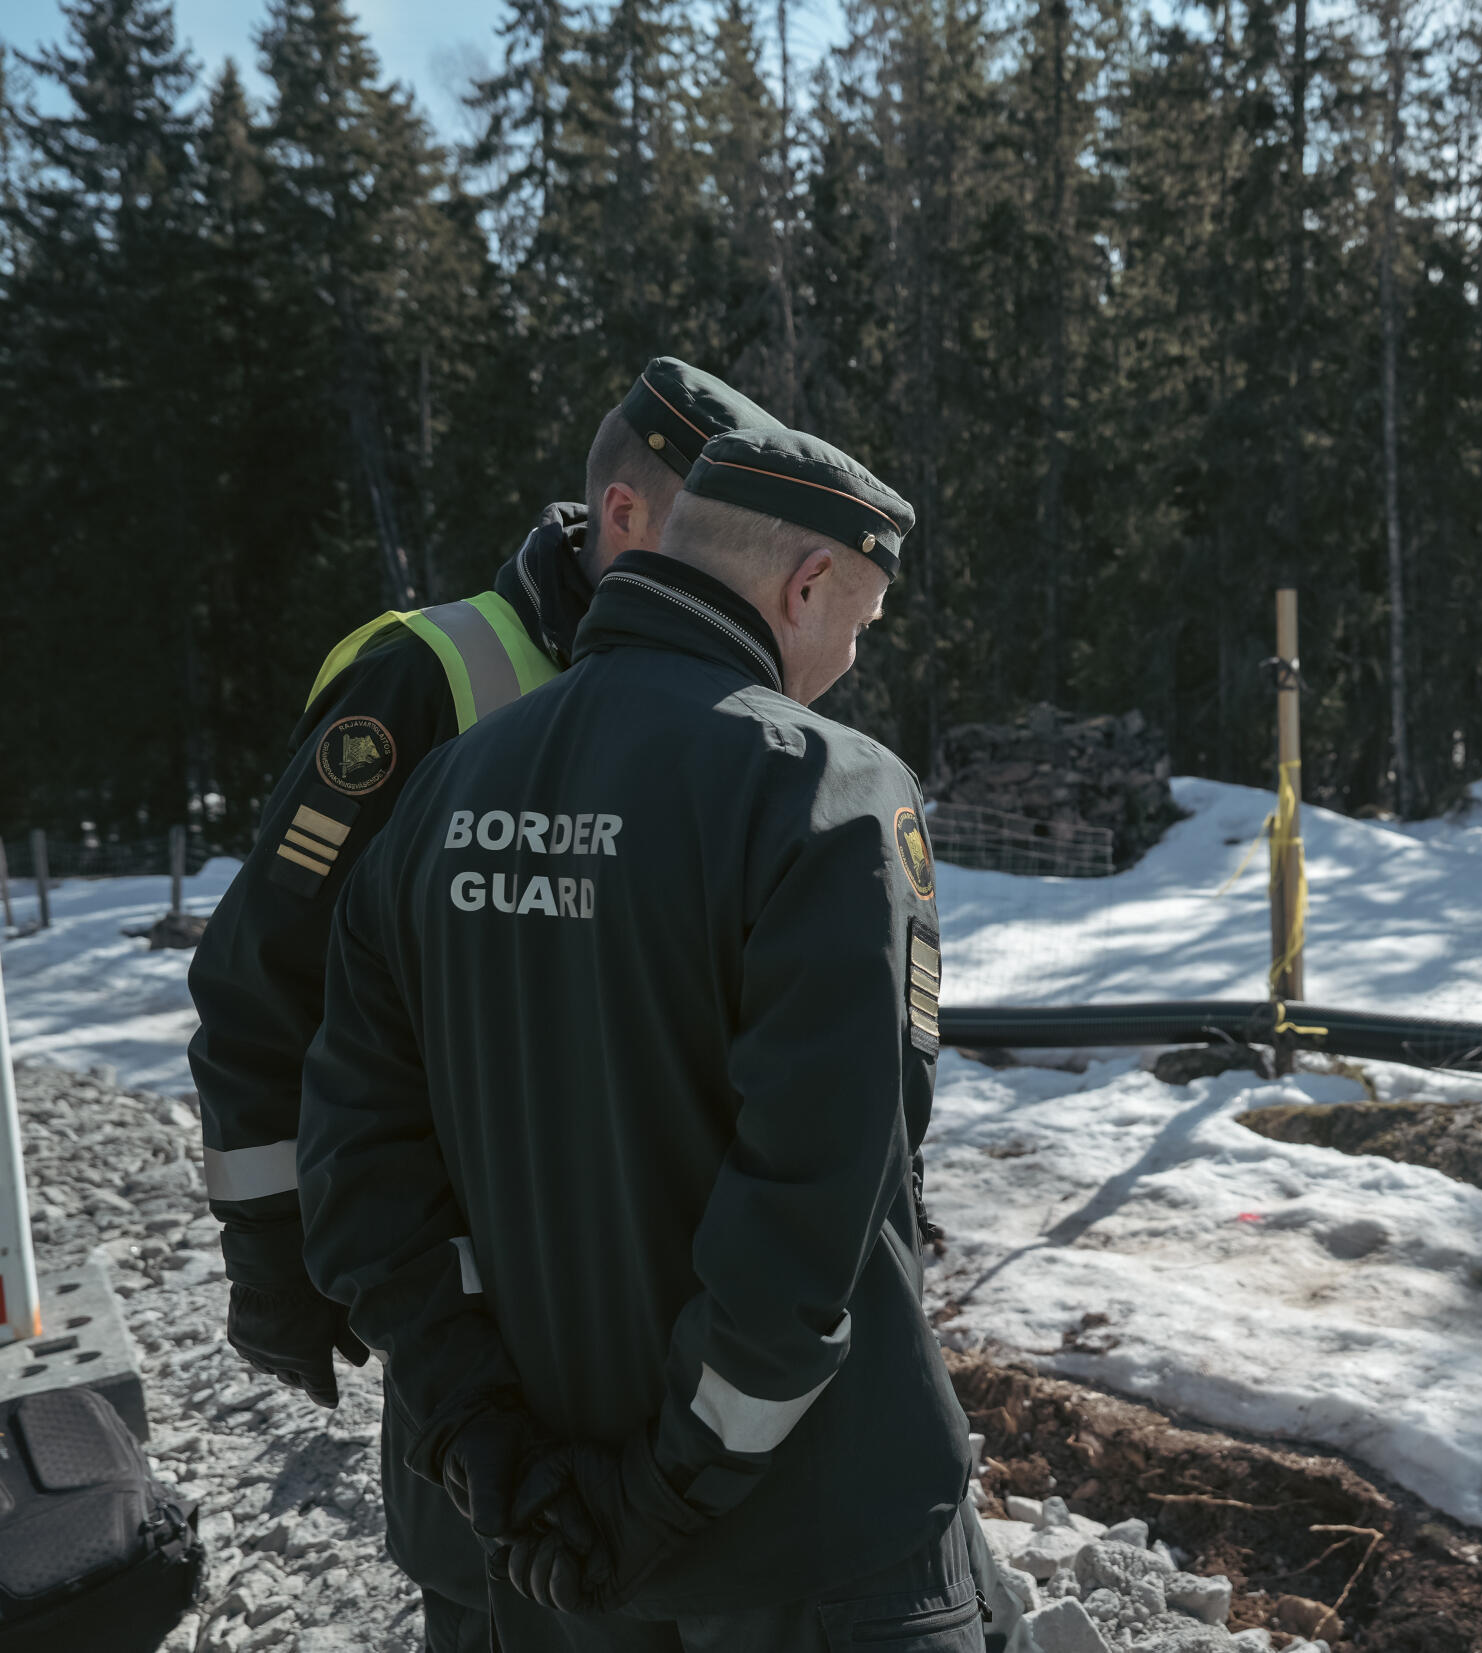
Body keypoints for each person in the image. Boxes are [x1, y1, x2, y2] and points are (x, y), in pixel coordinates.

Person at [296, 428, 989, 1652]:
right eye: (863, 622)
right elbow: (815, 1201)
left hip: (532, 1543)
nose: (845, 658)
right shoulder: (823, 791)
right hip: (804, 1542)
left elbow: (359, 1173)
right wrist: (666, 1489)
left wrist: (491, 1453)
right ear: (806, 583)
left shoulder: (442, 793)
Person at [186, 359, 785, 1650]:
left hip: (671, 1294)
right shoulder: (433, 679)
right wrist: (277, 1259)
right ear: (628, 518)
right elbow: (262, 981)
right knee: (510, 1590)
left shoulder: (737, 692)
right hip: (480, 1306)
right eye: (718, 530)